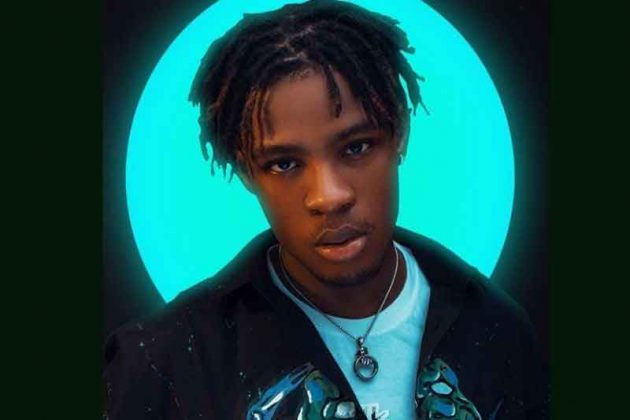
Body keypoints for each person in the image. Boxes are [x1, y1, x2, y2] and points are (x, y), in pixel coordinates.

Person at [104, 1, 549, 418]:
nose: (329, 196)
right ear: (246, 171)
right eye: (284, 164)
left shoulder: (497, 330)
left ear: (399, 134)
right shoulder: (162, 364)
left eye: (356, 147)